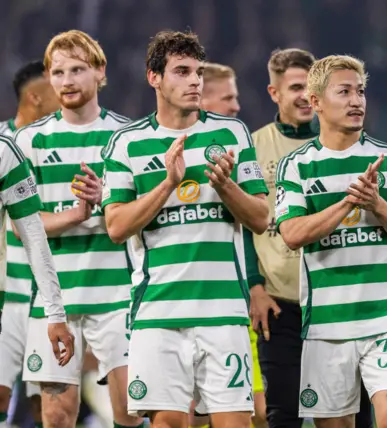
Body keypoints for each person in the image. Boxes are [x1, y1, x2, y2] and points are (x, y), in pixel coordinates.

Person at [101, 30, 269, 428]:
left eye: (197, 72)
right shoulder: (127, 143)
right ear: (154, 78)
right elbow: (116, 226)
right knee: (169, 424)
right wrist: (167, 184)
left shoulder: (230, 134)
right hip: (159, 312)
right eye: (181, 71)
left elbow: (261, 218)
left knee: (236, 424)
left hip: (224, 312)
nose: (195, 81)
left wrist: (226, 186)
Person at [275, 54, 387, 428]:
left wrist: (377, 205)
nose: (357, 100)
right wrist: (346, 202)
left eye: (360, 92)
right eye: (344, 92)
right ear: (316, 103)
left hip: (386, 321)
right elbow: (293, 234)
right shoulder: (297, 165)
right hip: (327, 327)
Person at [15, 30, 142, 428]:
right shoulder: (29, 141)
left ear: (99, 72)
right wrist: (76, 214)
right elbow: (22, 227)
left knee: (131, 411)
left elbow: (143, 216)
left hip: (119, 295)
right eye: (58, 72)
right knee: (56, 416)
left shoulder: (128, 138)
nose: (66, 80)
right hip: (55, 301)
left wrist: (106, 198)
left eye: (77, 69)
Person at [247, 48, 374, 428]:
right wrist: (254, 287)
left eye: (310, 87)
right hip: (280, 303)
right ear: (274, 93)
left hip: (338, 302)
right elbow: (240, 223)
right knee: (282, 414)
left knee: (349, 415)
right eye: (295, 87)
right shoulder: (254, 146)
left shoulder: (349, 146)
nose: (304, 96)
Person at [187, 61, 266, 428]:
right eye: (228, 97)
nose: (236, 106)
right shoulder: (160, 151)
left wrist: (253, 283)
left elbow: (256, 222)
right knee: (186, 411)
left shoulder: (236, 143)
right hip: (176, 302)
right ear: (202, 99)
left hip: (229, 301)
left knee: (251, 409)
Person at [0, 60, 60, 428]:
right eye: (56, 86)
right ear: (35, 96)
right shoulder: (5, 145)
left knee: (48, 402)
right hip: (9, 295)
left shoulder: (67, 146)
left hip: (41, 294)